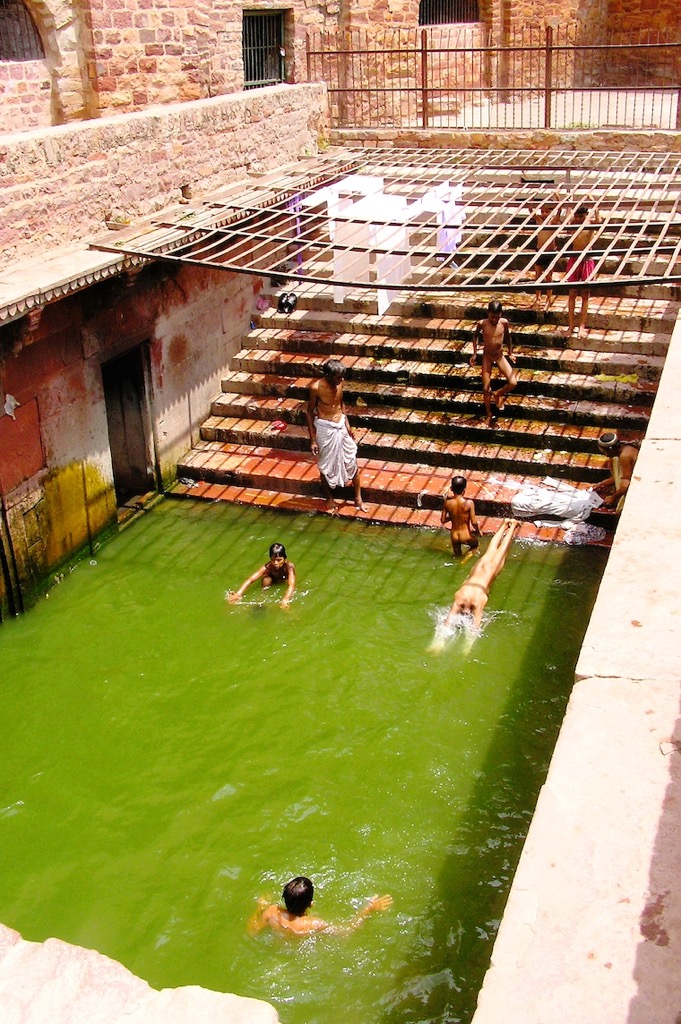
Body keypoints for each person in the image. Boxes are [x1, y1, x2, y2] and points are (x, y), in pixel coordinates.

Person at [306, 359, 367, 512]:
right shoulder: (316, 388)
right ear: (327, 375)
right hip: (325, 428)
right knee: (325, 466)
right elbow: (309, 412)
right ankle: (329, 499)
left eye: (341, 377)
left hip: (340, 424)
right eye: (337, 377)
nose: (340, 380)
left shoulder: (340, 383)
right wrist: (313, 440)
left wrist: (347, 425)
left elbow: (341, 404)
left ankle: (358, 498)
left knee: (351, 460)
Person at [247, 876, 393, 937]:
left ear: (285, 898)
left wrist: (259, 908)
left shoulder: (273, 911)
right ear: (311, 904)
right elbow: (348, 930)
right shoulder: (312, 924)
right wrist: (369, 909)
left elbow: (251, 931)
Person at [445, 518, 520, 631]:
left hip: (488, 570)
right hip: (479, 568)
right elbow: (470, 627)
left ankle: (511, 525)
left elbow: (452, 623)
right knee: (494, 549)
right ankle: (506, 524)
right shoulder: (463, 598)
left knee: (500, 550)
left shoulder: (471, 600)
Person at [470, 301, 518, 426]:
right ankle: (489, 414)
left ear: (501, 314)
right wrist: (475, 354)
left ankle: (497, 394)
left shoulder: (504, 323)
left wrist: (510, 352)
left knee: (513, 382)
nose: (494, 319)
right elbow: (475, 336)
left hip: (499, 355)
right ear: (488, 314)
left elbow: (507, 337)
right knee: (486, 388)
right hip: (487, 357)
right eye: (492, 316)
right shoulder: (482, 324)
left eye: (497, 317)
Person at [561, 200, 602, 339]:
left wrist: (596, 209)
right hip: (574, 258)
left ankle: (582, 326)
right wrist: (569, 207)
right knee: (571, 294)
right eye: (577, 216)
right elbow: (566, 222)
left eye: (581, 217)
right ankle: (571, 326)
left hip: (587, 259)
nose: (578, 219)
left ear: (586, 215)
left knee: (585, 294)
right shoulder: (573, 224)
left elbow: (599, 222)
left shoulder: (590, 223)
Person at [227, 542, 296, 608]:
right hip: (271, 579)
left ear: (284, 558)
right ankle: (263, 598)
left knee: (288, 587)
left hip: (283, 580)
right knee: (267, 579)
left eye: (279, 560)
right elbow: (251, 579)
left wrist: (285, 600)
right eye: (273, 560)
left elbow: (291, 585)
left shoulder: (289, 567)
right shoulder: (268, 567)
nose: (275, 563)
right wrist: (239, 593)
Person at [531, 196, 564, 311]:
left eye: (547, 211)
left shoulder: (554, 221)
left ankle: (548, 299)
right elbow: (530, 210)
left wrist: (557, 196)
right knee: (538, 275)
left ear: (551, 212)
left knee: (549, 277)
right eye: (543, 211)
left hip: (550, 251)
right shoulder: (538, 220)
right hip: (539, 250)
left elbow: (560, 209)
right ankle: (538, 296)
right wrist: (533, 197)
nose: (544, 214)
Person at [593, 431, 639, 511]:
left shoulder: (624, 456)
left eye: (603, 451)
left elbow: (626, 484)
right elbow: (619, 477)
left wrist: (613, 498)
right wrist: (602, 483)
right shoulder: (622, 451)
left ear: (609, 450)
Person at [441, 475, 480, 558]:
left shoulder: (447, 503)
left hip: (454, 536)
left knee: (457, 555)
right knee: (475, 545)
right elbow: (474, 522)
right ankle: (465, 560)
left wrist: (453, 516)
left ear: (451, 489)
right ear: (464, 490)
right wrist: (478, 531)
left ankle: (460, 560)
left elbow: (443, 520)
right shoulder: (469, 503)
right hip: (465, 535)